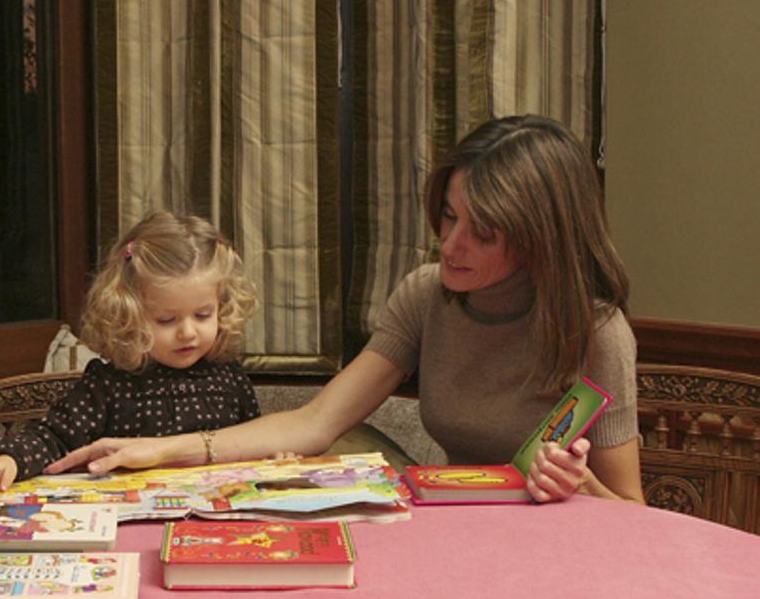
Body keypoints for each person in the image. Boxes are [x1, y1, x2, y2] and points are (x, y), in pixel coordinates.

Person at [47, 116, 644, 504]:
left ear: (541, 234)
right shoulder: (424, 294)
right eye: (449, 215)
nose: (452, 244)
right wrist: (160, 449)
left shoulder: (597, 331)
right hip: (455, 529)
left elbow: (632, 518)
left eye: (484, 232)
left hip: (552, 553)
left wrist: (579, 487)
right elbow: (315, 423)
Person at [0, 209, 261, 495]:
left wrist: (277, 456)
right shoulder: (108, 385)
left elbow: (253, 439)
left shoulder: (229, 377)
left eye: (203, 315)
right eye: (166, 320)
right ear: (127, 315)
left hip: (215, 522)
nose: (188, 332)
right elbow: (52, 436)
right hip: (131, 523)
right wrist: (10, 458)